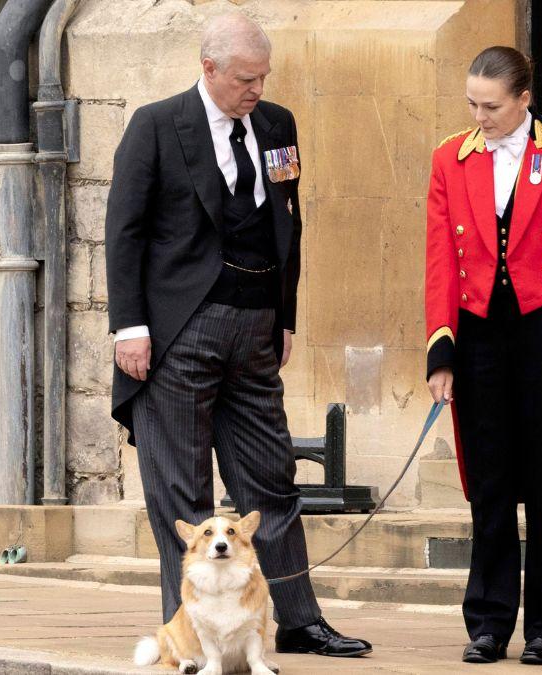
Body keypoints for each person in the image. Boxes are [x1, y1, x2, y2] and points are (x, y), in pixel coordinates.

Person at [105, 13, 371, 659]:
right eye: (245, 79)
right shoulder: (157, 125)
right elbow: (125, 230)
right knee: (183, 491)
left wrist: (284, 317)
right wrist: (130, 327)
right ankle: (191, 633)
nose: (256, 90)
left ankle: (297, 620)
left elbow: (290, 222)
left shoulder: (277, 125)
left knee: (271, 479)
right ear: (209, 69)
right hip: (178, 328)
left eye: (262, 78)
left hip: (254, 326)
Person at [423, 46, 542, 666]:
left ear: (525, 99)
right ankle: (487, 622)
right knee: (491, 484)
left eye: (492, 106)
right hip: (478, 336)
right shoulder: (450, 159)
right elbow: (439, 263)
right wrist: (441, 353)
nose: (480, 116)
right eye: (472, 103)